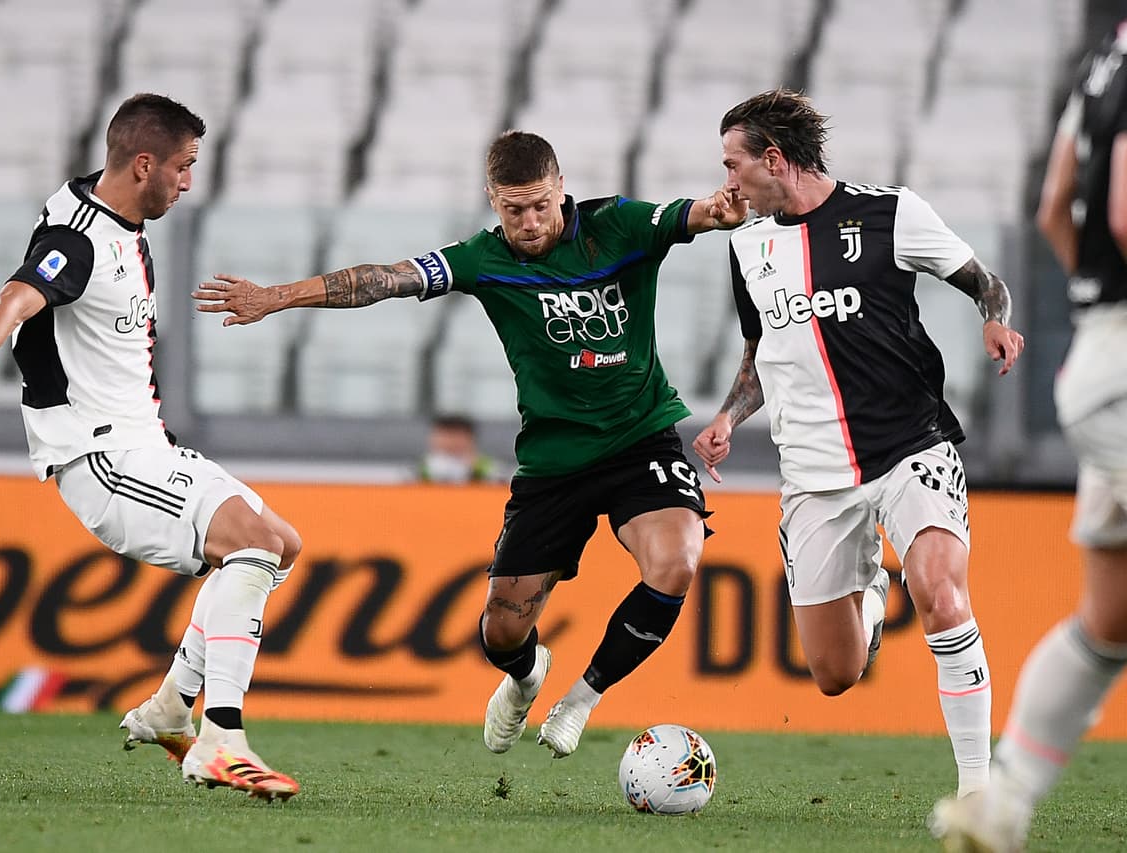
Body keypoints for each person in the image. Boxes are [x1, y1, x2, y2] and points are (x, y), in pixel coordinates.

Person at [194, 130, 747, 757]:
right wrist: (277, 296)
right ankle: (526, 675)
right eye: (515, 210)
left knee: (676, 563)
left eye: (541, 204)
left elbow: (693, 213)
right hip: (553, 462)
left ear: (562, 188)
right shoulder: (483, 259)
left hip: (639, 438)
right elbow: (385, 279)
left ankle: (579, 701)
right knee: (502, 633)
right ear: (492, 200)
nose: (531, 222)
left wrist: (714, 212)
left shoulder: (616, 225)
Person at [0, 93, 301, 802]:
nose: (189, 182)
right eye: (184, 167)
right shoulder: (78, 240)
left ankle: (168, 707)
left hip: (144, 443)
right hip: (101, 457)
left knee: (283, 543)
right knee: (250, 544)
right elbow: (13, 298)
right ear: (143, 163)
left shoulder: (115, 222)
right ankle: (221, 738)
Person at [693, 89, 1025, 798]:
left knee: (939, 591)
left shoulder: (891, 213)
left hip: (911, 444)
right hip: (814, 472)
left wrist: (994, 320)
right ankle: (872, 597)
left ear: (774, 160)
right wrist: (728, 415)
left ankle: (977, 792)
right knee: (834, 673)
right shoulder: (747, 245)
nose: (725, 181)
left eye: (731, 164)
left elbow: (984, 281)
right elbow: (763, 353)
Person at [930, 21, 1127, 852]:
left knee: (1110, 618)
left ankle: (1001, 801)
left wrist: (1097, 306)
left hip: (1102, 357)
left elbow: (1057, 210)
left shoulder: (1104, 62)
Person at [416, 413, 507, 484]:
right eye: (445, 435)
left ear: (471, 440)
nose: (450, 442)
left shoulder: (490, 471)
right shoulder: (418, 471)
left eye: (455, 435)